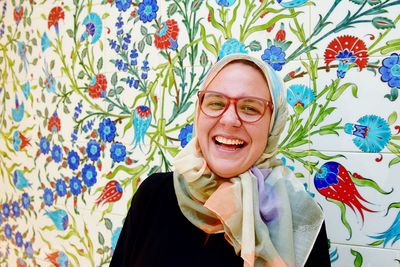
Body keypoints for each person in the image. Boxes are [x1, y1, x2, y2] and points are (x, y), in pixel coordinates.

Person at [110, 53, 330, 267]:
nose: (230, 119)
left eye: (250, 108)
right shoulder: (154, 194)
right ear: (199, 112)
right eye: (216, 103)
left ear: (273, 125)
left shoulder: (299, 220)